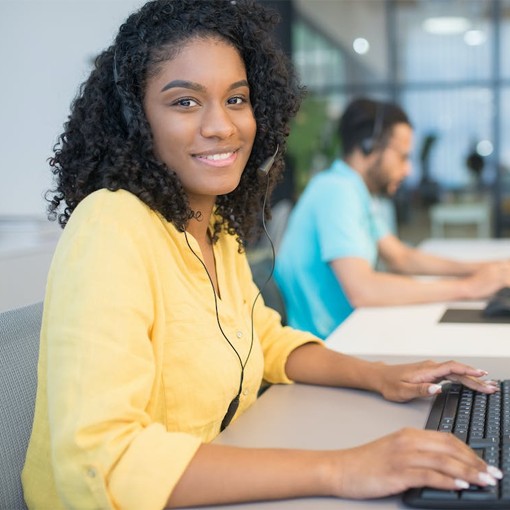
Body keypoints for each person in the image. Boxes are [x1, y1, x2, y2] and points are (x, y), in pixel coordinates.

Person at [22, 3, 503, 509]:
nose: (222, 126)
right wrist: (342, 467)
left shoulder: (212, 227)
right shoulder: (112, 225)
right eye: (185, 102)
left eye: (236, 99)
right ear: (135, 119)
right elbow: (105, 462)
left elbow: (263, 339)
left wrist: (381, 375)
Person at [275, 98, 510, 339]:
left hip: (352, 332)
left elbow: (400, 257)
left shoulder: (354, 190)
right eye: (402, 156)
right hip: (334, 343)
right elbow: (363, 289)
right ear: (369, 146)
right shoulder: (337, 192)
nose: (408, 169)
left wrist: (486, 270)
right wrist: (468, 288)